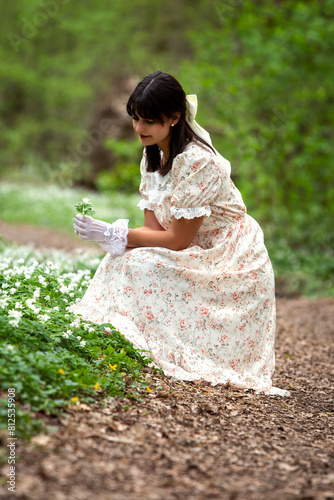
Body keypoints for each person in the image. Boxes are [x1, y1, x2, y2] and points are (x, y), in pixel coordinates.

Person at [72, 71, 289, 396]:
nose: (139, 129)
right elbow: (152, 231)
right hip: (195, 248)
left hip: (230, 257)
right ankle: (111, 339)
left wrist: (115, 232)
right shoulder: (153, 158)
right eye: (135, 119)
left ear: (174, 118)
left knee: (135, 262)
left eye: (148, 121)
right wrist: (114, 238)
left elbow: (177, 240)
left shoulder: (198, 162)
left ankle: (156, 349)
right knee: (123, 261)